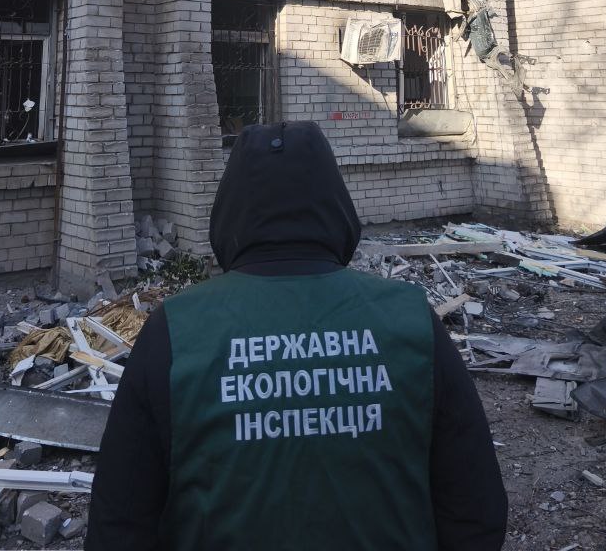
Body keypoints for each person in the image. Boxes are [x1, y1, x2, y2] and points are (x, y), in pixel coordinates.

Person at [86, 121, 507, 550]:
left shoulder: (175, 329)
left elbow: (119, 520)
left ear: (229, 209)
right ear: (336, 204)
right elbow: (476, 509)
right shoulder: (410, 318)